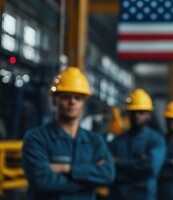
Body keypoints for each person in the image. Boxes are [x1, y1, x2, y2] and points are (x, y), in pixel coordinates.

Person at [22, 66, 115, 200]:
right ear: (55, 101)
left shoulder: (95, 141)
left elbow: (108, 174)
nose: (72, 102)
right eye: (66, 97)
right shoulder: (36, 138)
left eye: (78, 98)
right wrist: (89, 182)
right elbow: (41, 180)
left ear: (83, 103)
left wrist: (67, 169)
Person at [109, 88, 166, 200]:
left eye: (141, 112)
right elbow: (107, 166)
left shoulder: (156, 140)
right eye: (133, 112)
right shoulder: (118, 140)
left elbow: (150, 167)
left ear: (149, 115)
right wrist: (138, 163)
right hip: (119, 196)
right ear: (128, 113)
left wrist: (118, 161)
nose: (136, 116)